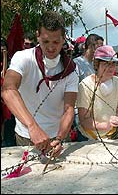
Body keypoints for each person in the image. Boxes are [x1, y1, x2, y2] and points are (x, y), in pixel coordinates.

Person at [1, 11, 79, 157]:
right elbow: (8, 89)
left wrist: (59, 138)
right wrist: (32, 127)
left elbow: (68, 109)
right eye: (45, 41)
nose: (51, 47)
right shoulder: (23, 58)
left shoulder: (71, 70)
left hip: (58, 137)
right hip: (27, 137)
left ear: (63, 39)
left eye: (56, 42)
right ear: (38, 36)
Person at [77, 45, 118, 140]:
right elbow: (84, 120)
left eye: (113, 63)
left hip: (112, 136)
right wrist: (106, 125)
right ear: (97, 64)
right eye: (106, 63)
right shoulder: (86, 85)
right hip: (89, 138)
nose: (111, 67)